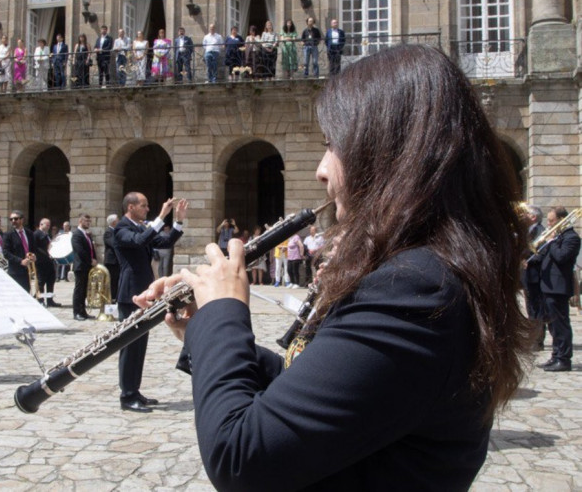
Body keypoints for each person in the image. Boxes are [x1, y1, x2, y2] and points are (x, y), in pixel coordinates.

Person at [137, 44, 528, 490]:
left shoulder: (416, 290)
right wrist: (206, 334)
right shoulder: (423, 276)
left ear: (391, 152)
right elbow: (321, 390)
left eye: (334, 145)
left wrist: (224, 316)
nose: (322, 170)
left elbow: (242, 456)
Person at [114, 193, 188, 412]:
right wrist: (162, 215)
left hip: (145, 293)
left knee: (140, 345)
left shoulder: (140, 227)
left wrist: (178, 221)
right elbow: (139, 241)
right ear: (130, 207)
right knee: (129, 344)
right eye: (143, 205)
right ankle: (127, 396)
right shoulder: (121, 229)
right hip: (130, 293)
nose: (147, 209)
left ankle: (134, 391)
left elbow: (164, 241)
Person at [528, 206, 581, 372]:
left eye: (552, 221)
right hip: (548, 286)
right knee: (553, 325)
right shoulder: (558, 237)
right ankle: (556, 355)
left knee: (561, 324)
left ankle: (564, 359)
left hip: (559, 287)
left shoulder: (571, 238)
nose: (549, 224)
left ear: (561, 219)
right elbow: (544, 256)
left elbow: (561, 257)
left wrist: (551, 241)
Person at [521, 205, 546, 350]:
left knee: (537, 308)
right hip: (528, 275)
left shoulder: (540, 231)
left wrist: (526, 260)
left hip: (535, 275)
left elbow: (541, 253)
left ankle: (538, 340)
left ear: (533, 217)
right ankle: (533, 337)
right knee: (531, 307)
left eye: (527, 214)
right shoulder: (529, 230)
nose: (523, 216)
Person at [2, 211, 36, 292]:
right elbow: (6, 253)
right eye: (11, 219)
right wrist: (21, 261)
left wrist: (34, 256)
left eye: (16, 219)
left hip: (28, 270)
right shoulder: (8, 235)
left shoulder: (29, 233)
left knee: (27, 293)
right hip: (15, 271)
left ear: (22, 220)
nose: (13, 221)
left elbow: (33, 248)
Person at [71, 213, 96, 321]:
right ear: (80, 221)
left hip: (87, 266)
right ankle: (76, 312)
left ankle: (83, 311)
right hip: (81, 266)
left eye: (89, 221)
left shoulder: (87, 234)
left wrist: (94, 258)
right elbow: (80, 251)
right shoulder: (76, 234)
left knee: (85, 290)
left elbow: (91, 249)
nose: (88, 223)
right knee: (79, 290)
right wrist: (90, 260)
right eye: (86, 221)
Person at [34, 217, 59, 307]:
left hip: (49, 261)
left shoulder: (46, 235)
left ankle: (50, 300)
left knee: (50, 281)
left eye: (49, 225)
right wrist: (46, 253)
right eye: (47, 225)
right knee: (41, 282)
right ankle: (39, 299)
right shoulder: (36, 234)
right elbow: (35, 248)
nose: (48, 226)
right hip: (41, 262)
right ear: (41, 224)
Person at [104, 214, 120, 302]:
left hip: (117, 261)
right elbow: (114, 244)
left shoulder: (116, 231)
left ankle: (115, 297)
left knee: (117, 281)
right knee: (112, 281)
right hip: (111, 262)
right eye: (118, 220)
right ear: (114, 222)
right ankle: (112, 298)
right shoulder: (108, 232)